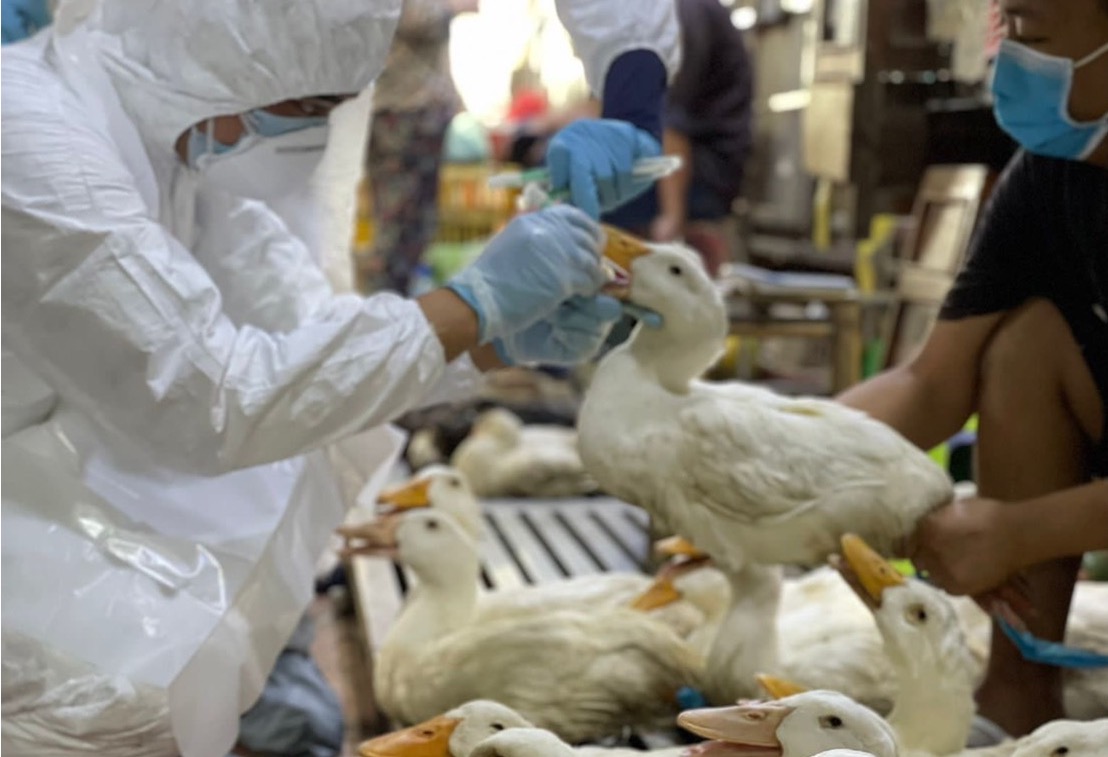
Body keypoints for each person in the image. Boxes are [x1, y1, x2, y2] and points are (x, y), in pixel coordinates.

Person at [0, 0, 679, 752]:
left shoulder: (173, 137)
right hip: (25, 527)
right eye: (311, 108)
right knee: (83, 706)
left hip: (46, 495)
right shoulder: (33, 143)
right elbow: (214, 397)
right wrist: (473, 304)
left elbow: (305, 333)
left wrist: (486, 343)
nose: (315, 139)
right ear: (225, 62)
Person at [838, 0, 1108, 740]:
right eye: (1007, 30)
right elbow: (932, 381)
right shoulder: (1054, 175)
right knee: (1027, 344)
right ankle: (1019, 689)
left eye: (1033, 34)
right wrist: (786, 453)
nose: (1011, 60)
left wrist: (1017, 531)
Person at [360, 0, 477, 295]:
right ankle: (385, 309)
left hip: (410, 108)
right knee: (401, 222)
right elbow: (408, 17)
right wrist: (452, 7)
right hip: (405, 111)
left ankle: (390, 303)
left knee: (410, 221)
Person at [650, 0, 754, 277]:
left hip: (703, 173)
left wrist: (672, 218)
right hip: (693, 166)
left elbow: (673, 125)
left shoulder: (686, 13)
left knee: (580, 186)